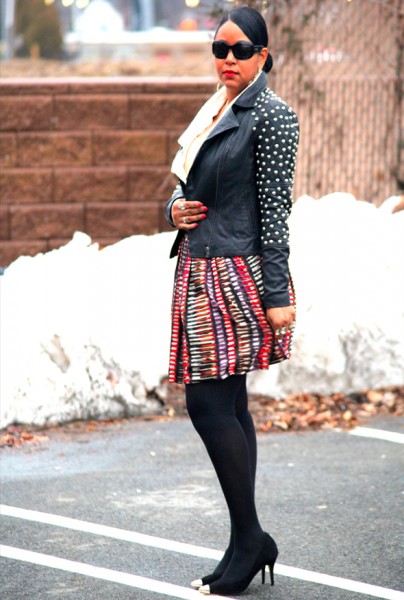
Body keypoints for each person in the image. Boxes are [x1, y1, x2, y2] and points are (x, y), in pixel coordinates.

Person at [164, 6, 299, 596]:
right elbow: (186, 186)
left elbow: (275, 214)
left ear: (263, 55)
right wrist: (174, 211)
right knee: (228, 405)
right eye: (219, 49)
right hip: (198, 270)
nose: (227, 59)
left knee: (208, 407)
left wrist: (276, 292)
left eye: (241, 50)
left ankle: (248, 539)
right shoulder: (214, 108)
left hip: (235, 278)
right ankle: (248, 539)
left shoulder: (272, 116)